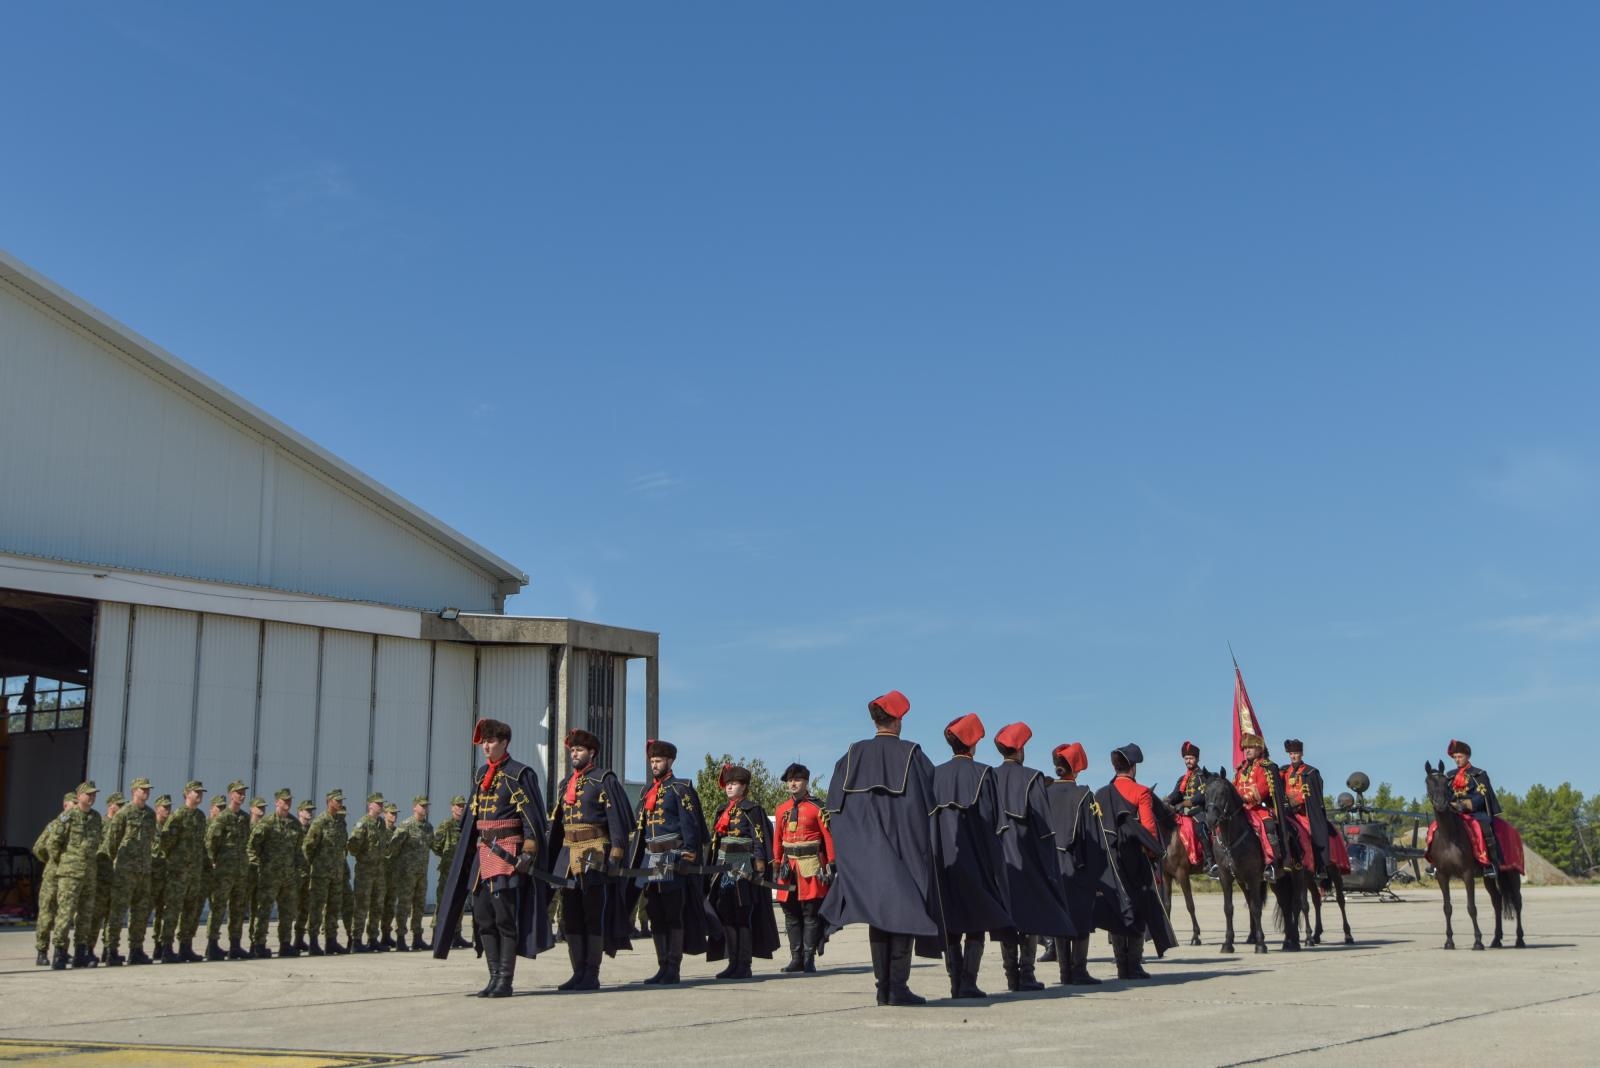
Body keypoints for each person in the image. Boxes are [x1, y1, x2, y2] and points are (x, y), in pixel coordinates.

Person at [821, 690, 941, 1007]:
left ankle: (883, 988)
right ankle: (897, 987)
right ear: (898, 720)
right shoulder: (912, 754)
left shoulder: (851, 755)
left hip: (866, 856)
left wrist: (851, 854)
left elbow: (833, 809)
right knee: (904, 915)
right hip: (903, 852)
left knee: (878, 916)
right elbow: (932, 804)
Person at [432, 717, 554, 998]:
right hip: (481, 854)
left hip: (506, 852)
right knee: (483, 918)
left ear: (504, 742)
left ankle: (505, 980)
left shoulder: (519, 774)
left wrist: (528, 851)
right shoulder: (481, 775)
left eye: (490, 741)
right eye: (483, 742)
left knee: (504, 919)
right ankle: (493, 977)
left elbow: (531, 818)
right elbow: (471, 818)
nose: (485, 747)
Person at [930, 713, 1012, 999]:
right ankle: (968, 982)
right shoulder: (984, 774)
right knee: (978, 920)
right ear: (973, 743)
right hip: (976, 858)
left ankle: (955, 983)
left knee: (951, 920)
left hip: (943, 860)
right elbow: (992, 822)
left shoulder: (935, 774)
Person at [990, 722, 1076, 992]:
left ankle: (1010, 975)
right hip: (1026, 857)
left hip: (999, 860)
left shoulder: (989, 776)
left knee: (1007, 918)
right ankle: (1026, 974)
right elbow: (1044, 828)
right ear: (1020, 749)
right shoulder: (1032, 778)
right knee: (1030, 917)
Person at [547, 728, 633, 990]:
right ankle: (578, 972)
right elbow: (558, 823)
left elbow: (616, 819)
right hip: (568, 854)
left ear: (592, 752)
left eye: (580, 750)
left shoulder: (604, 779)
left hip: (595, 852)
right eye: (572, 750)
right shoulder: (565, 784)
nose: (574, 754)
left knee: (592, 915)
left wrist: (616, 853)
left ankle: (592, 973)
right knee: (571, 916)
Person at [623, 738, 714, 985]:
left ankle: (673, 967)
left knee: (673, 913)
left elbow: (690, 824)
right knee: (655, 913)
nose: (654, 765)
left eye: (659, 760)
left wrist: (688, 854)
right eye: (652, 761)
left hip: (672, 856)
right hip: (650, 858)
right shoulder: (647, 791)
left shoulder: (680, 788)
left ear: (670, 761)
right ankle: (662, 966)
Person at [1095, 744, 1176, 979]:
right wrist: (1152, 856)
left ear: (1115, 767)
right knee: (1139, 907)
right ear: (1133, 767)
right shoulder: (1141, 792)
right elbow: (1148, 829)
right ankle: (1134, 964)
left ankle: (1121, 965)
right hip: (1135, 859)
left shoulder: (1101, 793)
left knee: (1118, 908)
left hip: (1110, 860)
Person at [706, 764, 779, 979]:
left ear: (744, 786)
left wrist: (760, 864)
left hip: (744, 866)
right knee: (726, 915)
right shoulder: (722, 810)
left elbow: (759, 837)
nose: (729, 787)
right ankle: (732, 962)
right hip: (723, 867)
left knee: (742, 916)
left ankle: (744, 964)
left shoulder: (752, 809)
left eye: (734, 783)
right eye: (727, 784)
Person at [1045, 743, 1106, 985]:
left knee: (1061, 919)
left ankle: (1064, 972)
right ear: (1076, 769)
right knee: (1081, 918)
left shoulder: (1045, 792)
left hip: (1052, 866)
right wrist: (1097, 876)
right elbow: (1093, 839)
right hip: (1077, 865)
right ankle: (1079, 971)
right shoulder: (1083, 795)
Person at [771, 762, 834, 974]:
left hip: (811, 866)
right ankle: (795, 958)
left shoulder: (818, 807)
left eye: (797, 780)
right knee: (790, 914)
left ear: (806, 782)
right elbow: (777, 839)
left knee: (810, 913)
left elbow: (828, 837)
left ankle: (808, 959)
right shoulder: (782, 809)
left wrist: (832, 864)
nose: (793, 784)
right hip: (788, 867)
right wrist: (776, 863)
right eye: (790, 780)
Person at [48, 781, 104, 969]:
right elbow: (53, 843)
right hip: (70, 874)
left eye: (94, 794)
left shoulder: (96, 817)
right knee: (65, 913)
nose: (92, 797)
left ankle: (81, 953)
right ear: (79, 796)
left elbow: (99, 842)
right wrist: (65, 863)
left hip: (89, 873)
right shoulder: (68, 816)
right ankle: (59, 953)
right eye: (88, 794)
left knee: (86, 915)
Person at [102, 777, 157, 966]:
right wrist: (115, 864)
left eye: (148, 789)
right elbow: (112, 842)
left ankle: (136, 949)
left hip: (144, 871)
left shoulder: (150, 814)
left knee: (140, 912)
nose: (146, 792)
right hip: (125, 872)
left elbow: (151, 841)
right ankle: (111, 950)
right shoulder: (123, 813)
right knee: (118, 912)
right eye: (143, 789)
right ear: (134, 791)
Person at [157, 780, 209, 964]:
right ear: (187, 794)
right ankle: (166, 948)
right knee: (172, 910)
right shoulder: (177, 816)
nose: (199, 795)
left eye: (201, 792)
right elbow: (166, 843)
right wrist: (176, 862)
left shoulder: (200, 816)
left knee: (191, 910)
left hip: (194, 873)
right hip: (178, 873)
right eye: (196, 792)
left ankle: (185, 947)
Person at [247, 788, 302, 958]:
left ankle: (285, 944)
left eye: (289, 800)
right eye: (284, 800)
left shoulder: (295, 824)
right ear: (277, 802)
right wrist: (259, 867)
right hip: (269, 877)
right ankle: (259, 944)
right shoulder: (267, 823)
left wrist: (299, 870)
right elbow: (252, 848)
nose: (288, 803)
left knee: (287, 912)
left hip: (288, 877)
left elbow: (298, 851)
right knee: (263, 911)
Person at [1234, 734, 1295, 881]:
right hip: (1241, 809)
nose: (1247, 750)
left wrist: (1243, 799)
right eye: (1245, 748)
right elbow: (1234, 787)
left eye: (1251, 747)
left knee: (1268, 825)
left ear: (1259, 749)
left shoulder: (1266, 767)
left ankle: (1272, 863)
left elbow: (1262, 789)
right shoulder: (1241, 769)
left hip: (1259, 807)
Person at [205, 780, 251, 961]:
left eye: (243, 793)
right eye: (239, 792)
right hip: (224, 871)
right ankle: (212, 945)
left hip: (240, 871)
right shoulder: (222, 818)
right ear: (231, 795)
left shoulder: (244, 818)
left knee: (238, 908)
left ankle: (235, 945)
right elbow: (211, 842)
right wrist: (214, 862)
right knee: (218, 907)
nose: (242, 795)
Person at [1447, 739, 1505, 879]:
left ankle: (1490, 864)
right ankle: (1436, 864)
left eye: (1460, 756)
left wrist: (1464, 805)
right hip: (1454, 813)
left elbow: (1482, 795)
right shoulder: (1449, 776)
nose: (1457, 760)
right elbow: (1446, 795)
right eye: (1455, 757)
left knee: (1486, 828)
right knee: (1435, 828)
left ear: (1467, 756)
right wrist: (1450, 805)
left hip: (1475, 812)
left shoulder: (1479, 774)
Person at [302, 789, 350, 955]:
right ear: (329, 802)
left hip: (336, 873)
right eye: (338, 801)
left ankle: (331, 941)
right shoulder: (320, 822)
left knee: (334, 907)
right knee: (316, 907)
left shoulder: (340, 822)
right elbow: (308, 847)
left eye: (341, 801)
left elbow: (343, 845)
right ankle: (313, 942)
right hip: (321, 873)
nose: (340, 803)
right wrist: (315, 864)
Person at [31, 792, 76, 966]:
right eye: (73, 804)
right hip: (53, 876)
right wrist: (52, 861)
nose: (75, 808)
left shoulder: (77, 826)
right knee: (47, 913)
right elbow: (38, 848)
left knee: (64, 913)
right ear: (65, 805)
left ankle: (62, 949)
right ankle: (42, 951)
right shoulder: (54, 825)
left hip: (69, 875)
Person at [1280, 740, 1332, 887]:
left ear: (1301, 754)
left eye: (1296, 753)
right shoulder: (1284, 771)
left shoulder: (1310, 772)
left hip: (1303, 813)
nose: (1293, 756)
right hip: (1287, 813)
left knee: (1312, 833)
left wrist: (1296, 801)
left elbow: (1312, 795)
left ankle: (1320, 866)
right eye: (1291, 753)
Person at [1163, 742, 1218, 877]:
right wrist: (1167, 801)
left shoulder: (1203, 776)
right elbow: (1176, 794)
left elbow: (1202, 795)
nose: (1188, 761)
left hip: (1199, 811)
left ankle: (1210, 862)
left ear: (1197, 759)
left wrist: (1185, 803)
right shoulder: (1182, 779)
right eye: (1186, 758)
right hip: (1183, 813)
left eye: (1191, 758)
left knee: (1200, 828)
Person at [388, 796, 433, 951]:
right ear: (415, 807)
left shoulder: (428, 827)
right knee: (404, 905)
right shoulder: (406, 825)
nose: (425, 808)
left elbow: (432, 845)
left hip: (422, 873)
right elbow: (393, 847)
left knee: (419, 905)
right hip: (407, 873)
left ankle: (417, 937)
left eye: (426, 806)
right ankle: (400, 938)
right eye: (422, 806)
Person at [348, 792, 391, 952]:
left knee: (377, 906)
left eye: (382, 803)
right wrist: (364, 857)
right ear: (370, 805)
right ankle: (356, 940)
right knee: (361, 905)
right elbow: (352, 846)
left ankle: (373, 938)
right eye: (378, 803)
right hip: (365, 872)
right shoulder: (363, 823)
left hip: (379, 872)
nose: (381, 806)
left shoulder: (381, 823)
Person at [431, 795, 469, 949]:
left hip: (463, 870)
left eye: (462, 806)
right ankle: (436, 936)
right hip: (448, 870)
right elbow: (435, 845)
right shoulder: (446, 825)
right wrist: (447, 858)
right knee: (442, 903)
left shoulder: (467, 825)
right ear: (452, 807)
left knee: (459, 903)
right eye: (458, 806)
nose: (461, 808)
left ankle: (456, 935)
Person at [89, 791, 123, 963]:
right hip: (102, 876)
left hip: (118, 876)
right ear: (110, 805)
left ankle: (110, 950)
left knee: (114, 915)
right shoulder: (101, 823)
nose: (121, 808)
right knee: (96, 915)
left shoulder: (122, 825)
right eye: (119, 805)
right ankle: (88, 949)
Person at [147, 794, 172, 959]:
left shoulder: (170, 828)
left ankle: (160, 945)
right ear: (157, 809)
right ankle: (137, 947)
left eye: (169, 807)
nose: (167, 810)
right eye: (165, 807)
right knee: (145, 911)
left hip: (166, 876)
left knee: (163, 913)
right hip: (151, 877)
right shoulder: (150, 827)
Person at [378, 801, 402, 949]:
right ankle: (373, 937)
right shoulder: (381, 831)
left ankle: (386, 935)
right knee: (378, 906)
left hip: (393, 875)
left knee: (390, 906)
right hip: (381, 874)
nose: (394, 816)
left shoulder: (398, 832)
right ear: (385, 814)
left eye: (395, 814)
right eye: (391, 813)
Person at [293, 800, 315, 951]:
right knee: (290, 908)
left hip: (308, 873)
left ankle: (299, 939)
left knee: (305, 908)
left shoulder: (312, 830)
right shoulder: (294, 828)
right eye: (306, 810)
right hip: (295, 874)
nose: (309, 813)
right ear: (300, 812)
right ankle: (285, 941)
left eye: (311, 810)